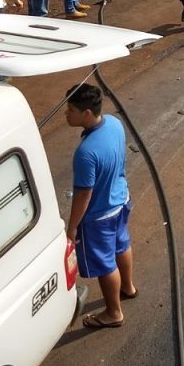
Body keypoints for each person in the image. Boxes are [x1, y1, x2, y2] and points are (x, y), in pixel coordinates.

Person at [65, 84, 138, 331]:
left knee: (106, 265)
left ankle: (113, 313)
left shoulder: (85, 153)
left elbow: (84, 195)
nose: (66, 114)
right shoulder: (115, 124)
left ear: (87, 113)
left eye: (71, 110)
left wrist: (72, 227)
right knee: (122, 245)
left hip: (99, 216)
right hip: (121, 201)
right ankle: (128, 287)